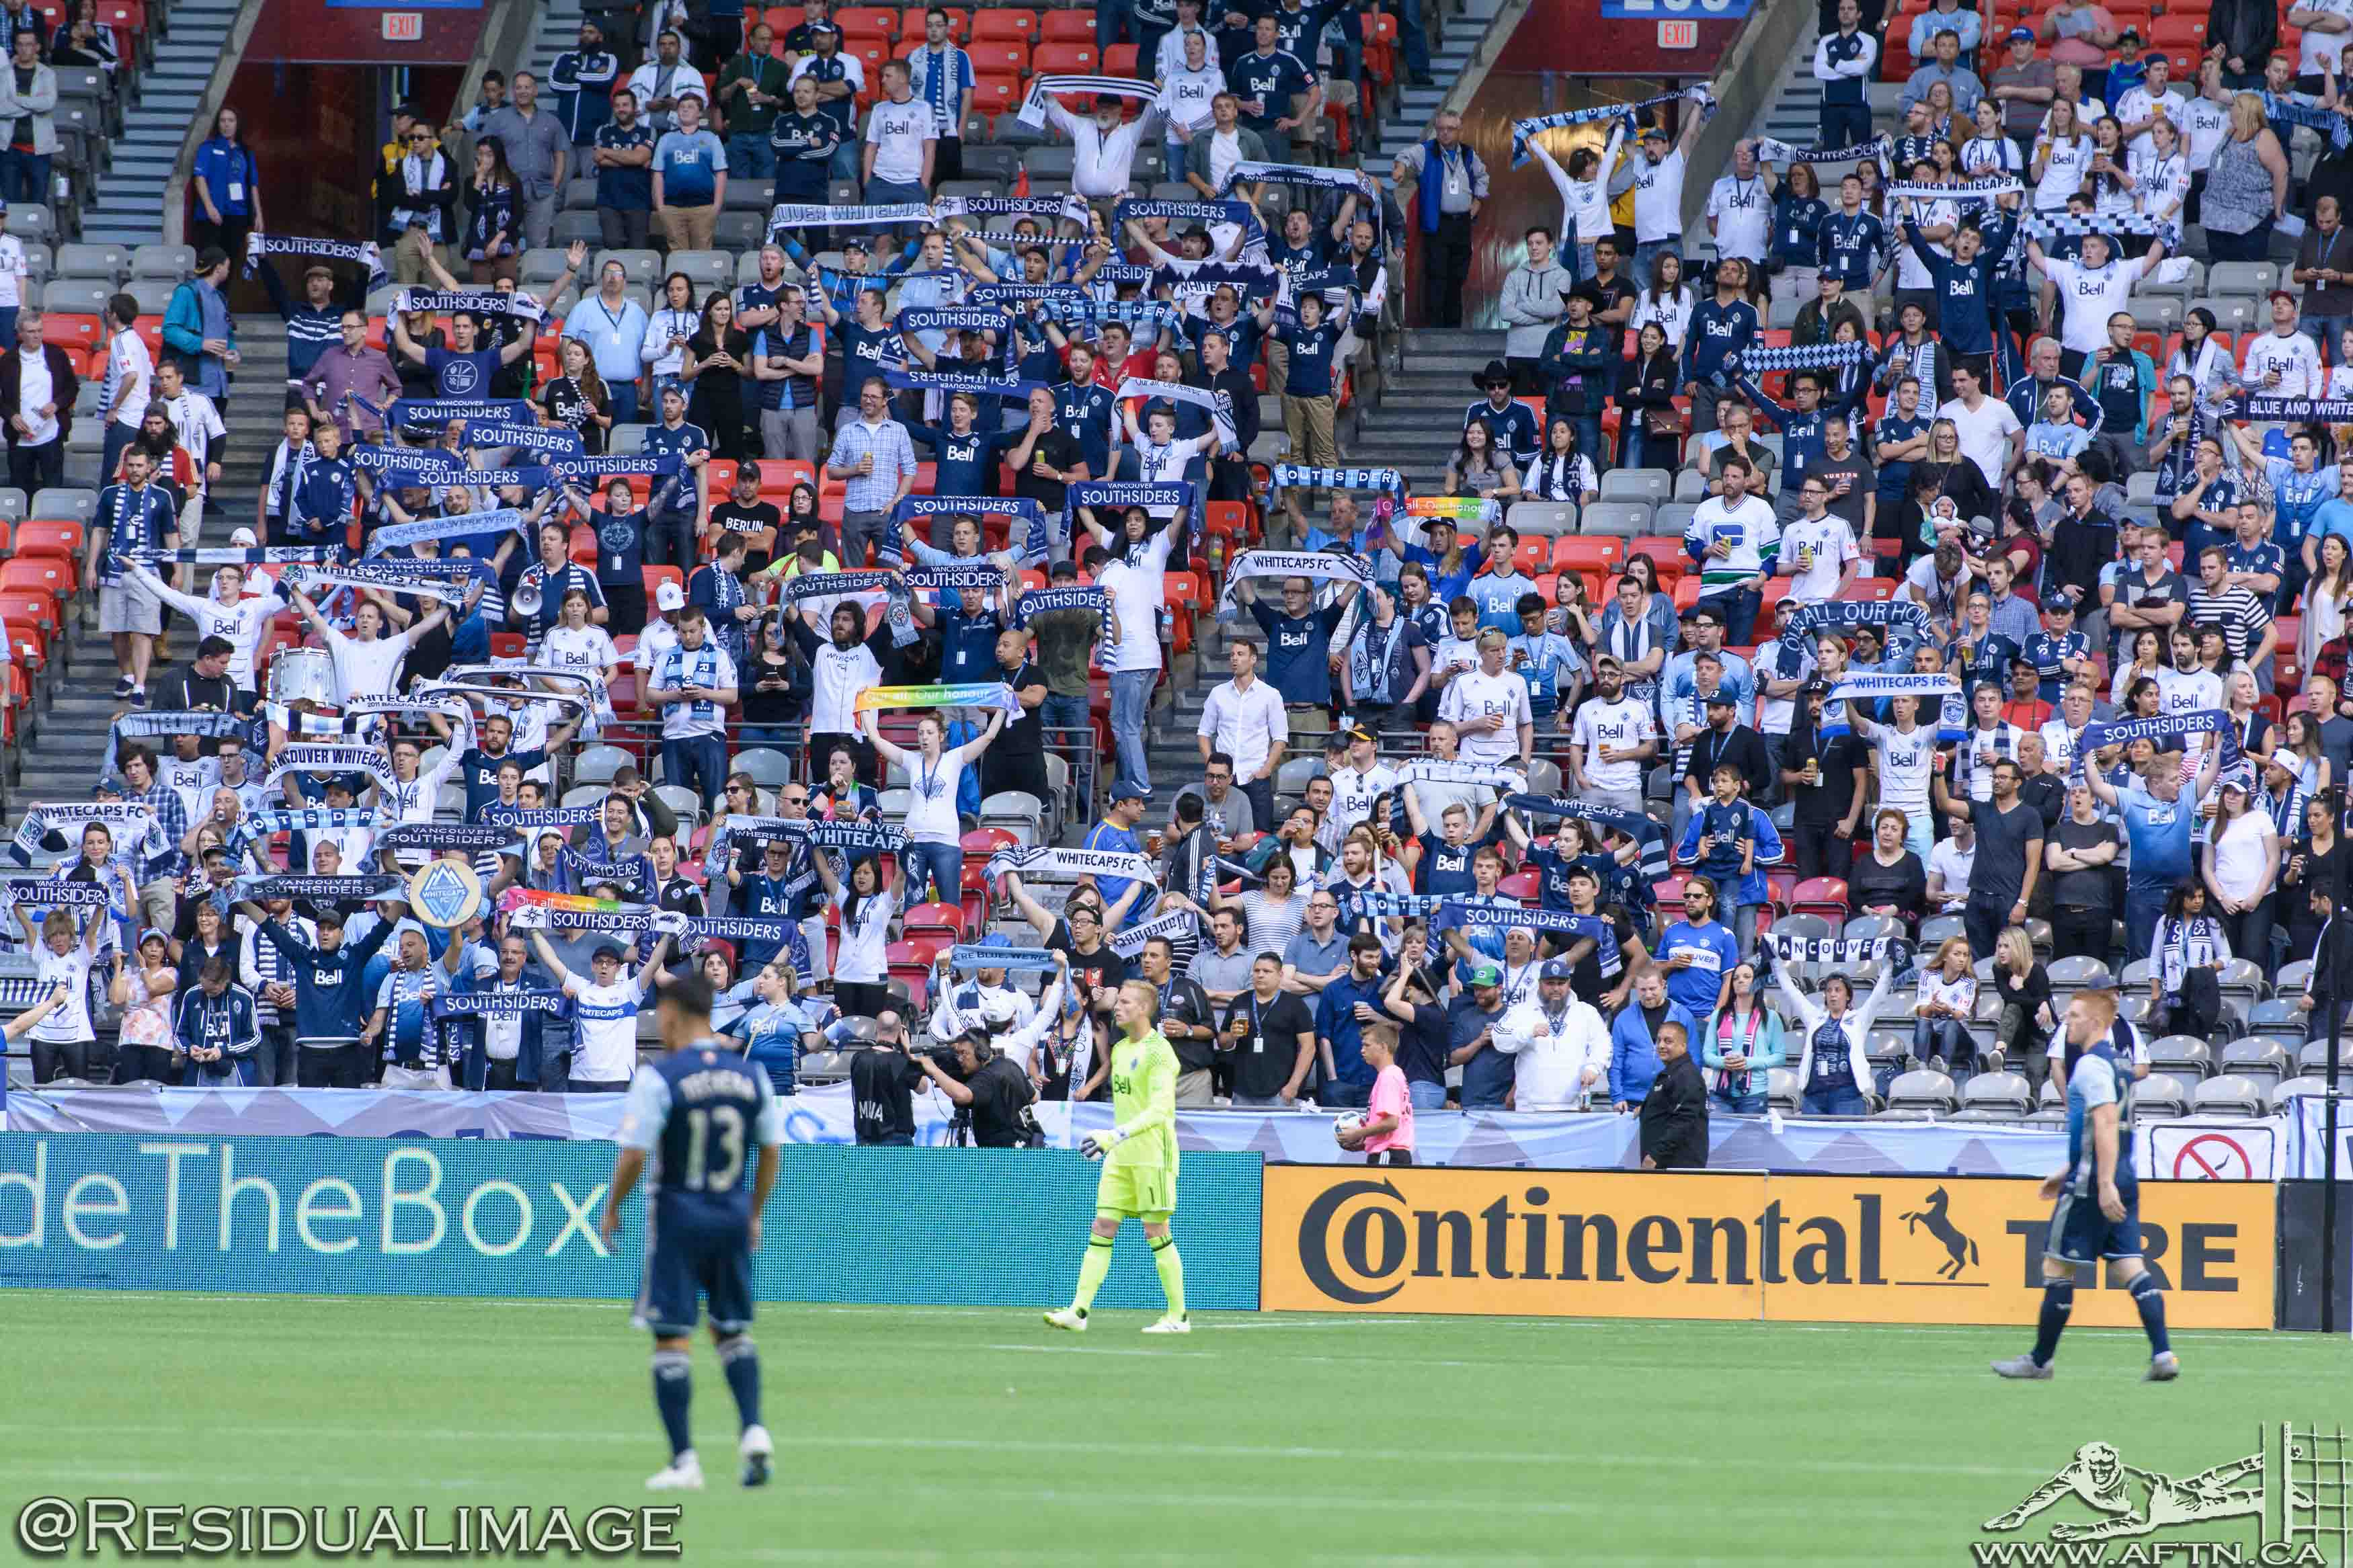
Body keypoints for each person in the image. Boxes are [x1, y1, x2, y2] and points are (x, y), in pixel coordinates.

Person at [599, 970, 781, 1492]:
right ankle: (753, 1430)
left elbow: (634, 1153)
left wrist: (613, 1205)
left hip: (678, 1217)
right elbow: (771, 1150)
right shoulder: (752, 1076)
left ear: (676, 1015)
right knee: (730, 1329)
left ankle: (684, 1461)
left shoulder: (661, 1076)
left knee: (672, 1337)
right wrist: (754, 1211)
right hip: (730, 1214)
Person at [1991, 989, 2178, 1381]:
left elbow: (2106, 1121)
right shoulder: (2120, 1065)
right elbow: (2103, 1128)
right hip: (2122, 1174)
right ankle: (2164, 1355)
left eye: (2075, 1016)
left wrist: (2100, 1180)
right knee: (2130, 1267)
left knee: (2056, 1268)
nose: (2068, 1022)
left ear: (2095, 1022)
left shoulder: (2091, 1067)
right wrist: (2070, 1167)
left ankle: (2040, 1361)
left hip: (2094, 1183)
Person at [1045, 980, 1189, 1335]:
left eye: (1125, 1002)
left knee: (1156, 1230)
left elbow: (1160, 1111)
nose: (1117, 1007)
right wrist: (1115, 1142)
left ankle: (1178, 1316)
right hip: (1120, 1157)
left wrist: (1114, 1135)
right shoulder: (1122, 1049)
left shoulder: (1160, 1053)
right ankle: (1079, 1311)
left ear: (1143, 1009)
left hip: (1153, 1156)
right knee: (1103, 1226)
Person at [530, 927, 674, 1092]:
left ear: (619, 967)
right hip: (581, 1078)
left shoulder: (631, 991)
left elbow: (654, 963)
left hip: (618, 1078)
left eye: (610, 962)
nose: (604, 966)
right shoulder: (581, 988)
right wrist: (534, 929)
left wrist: (667, 935)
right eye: (599, 962)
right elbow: (551, 960)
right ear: (593, 966)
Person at [1776, 960, 1897, 1115]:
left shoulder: (1859, 1018)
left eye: (1838, 990)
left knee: (1845, 1139)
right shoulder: (1814, 1017)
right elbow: (1790, 991)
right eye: (1829, 990)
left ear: (1848, 996)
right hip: (1814, 1096)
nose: (1833, 994)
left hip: (1848, 1096)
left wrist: (1891, 964)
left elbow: (1879, 994)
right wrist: (1775, 961)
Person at [1332, 1026, 1414, 1165]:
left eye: (1367, 1045)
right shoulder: (1391, 1074)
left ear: (1383, 1047)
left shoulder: (1389, 1076)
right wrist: (1363, 1144)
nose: (1362, 1050)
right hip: (1390, 1153)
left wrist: (1357, 1133)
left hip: (1388, 1154)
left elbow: (1391, 1122)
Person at [1638, 1021, 1709, 1169]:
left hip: (1678, 1165)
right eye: (1659, 1040)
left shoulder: (1687, 1076)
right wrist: (1647, 1108)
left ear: (1683, 1046)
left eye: (1668, 1041)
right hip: (1666, 1162)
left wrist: (1655, 1155)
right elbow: (1669, 1105)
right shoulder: (1673, 1073)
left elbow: (1684, 1120)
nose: (1661, 1046)